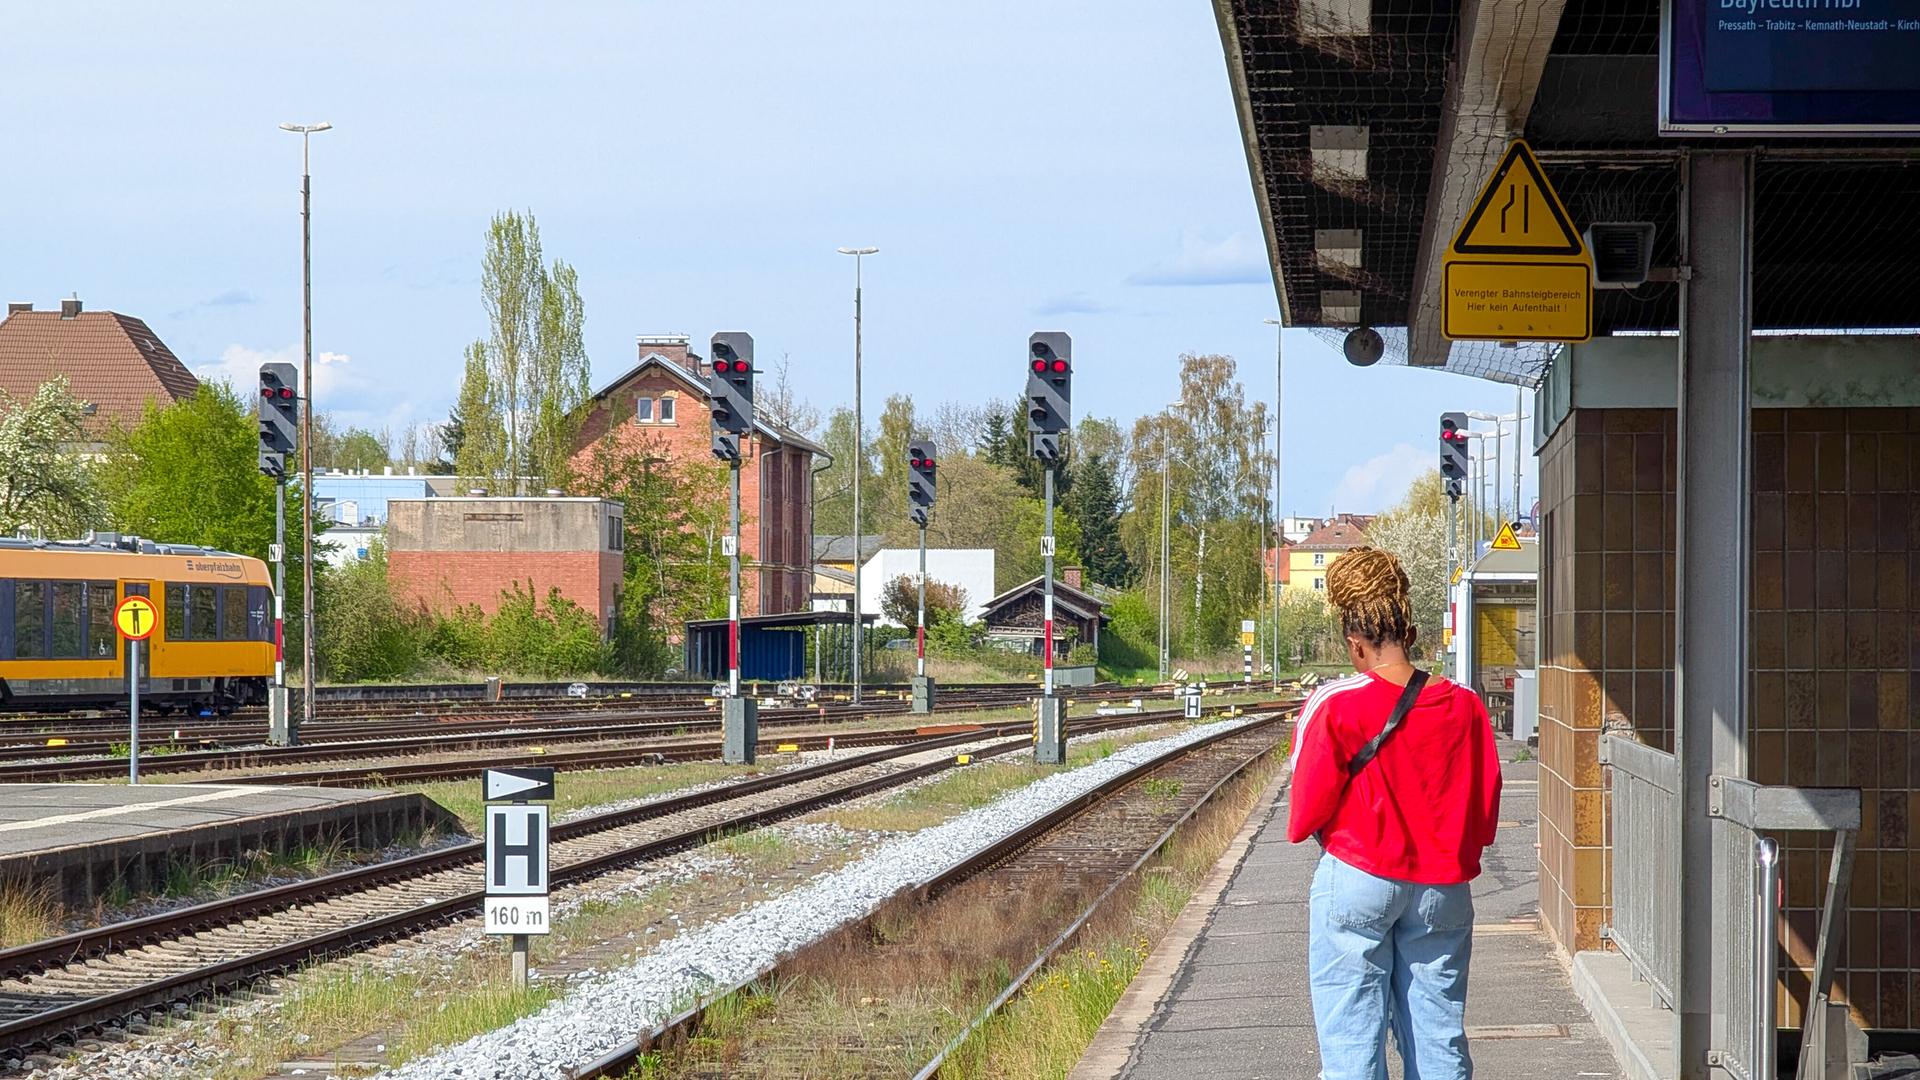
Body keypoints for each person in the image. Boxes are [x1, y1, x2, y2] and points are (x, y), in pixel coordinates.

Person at [1286, 546, 1502, 1080]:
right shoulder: (1466, 703)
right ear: (1406, 628)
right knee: (1438, 1036)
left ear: (1355, 642)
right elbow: (1485, 807)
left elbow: (1304, 811)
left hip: (1360, 876)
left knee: (1352, 1043)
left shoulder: (1335, 703)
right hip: (1442, 889)